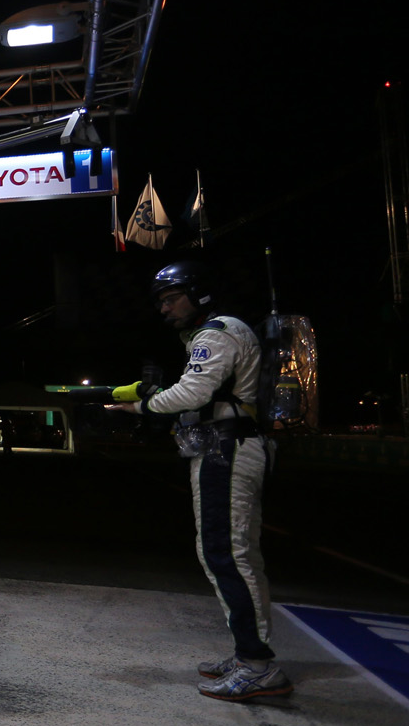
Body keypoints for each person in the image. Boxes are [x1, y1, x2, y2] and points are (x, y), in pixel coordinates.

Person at [107, 261, 289, 702]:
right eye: (161, 303)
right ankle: (249, 653)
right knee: (234, 554)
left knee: (226, 554)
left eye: (172, 298)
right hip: (233, 445)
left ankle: (257, 664)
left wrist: (140, 408)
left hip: (228, 449)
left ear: (200, 294)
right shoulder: (224, 331)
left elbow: (193, 394)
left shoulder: (216, 333)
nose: (165, 309)